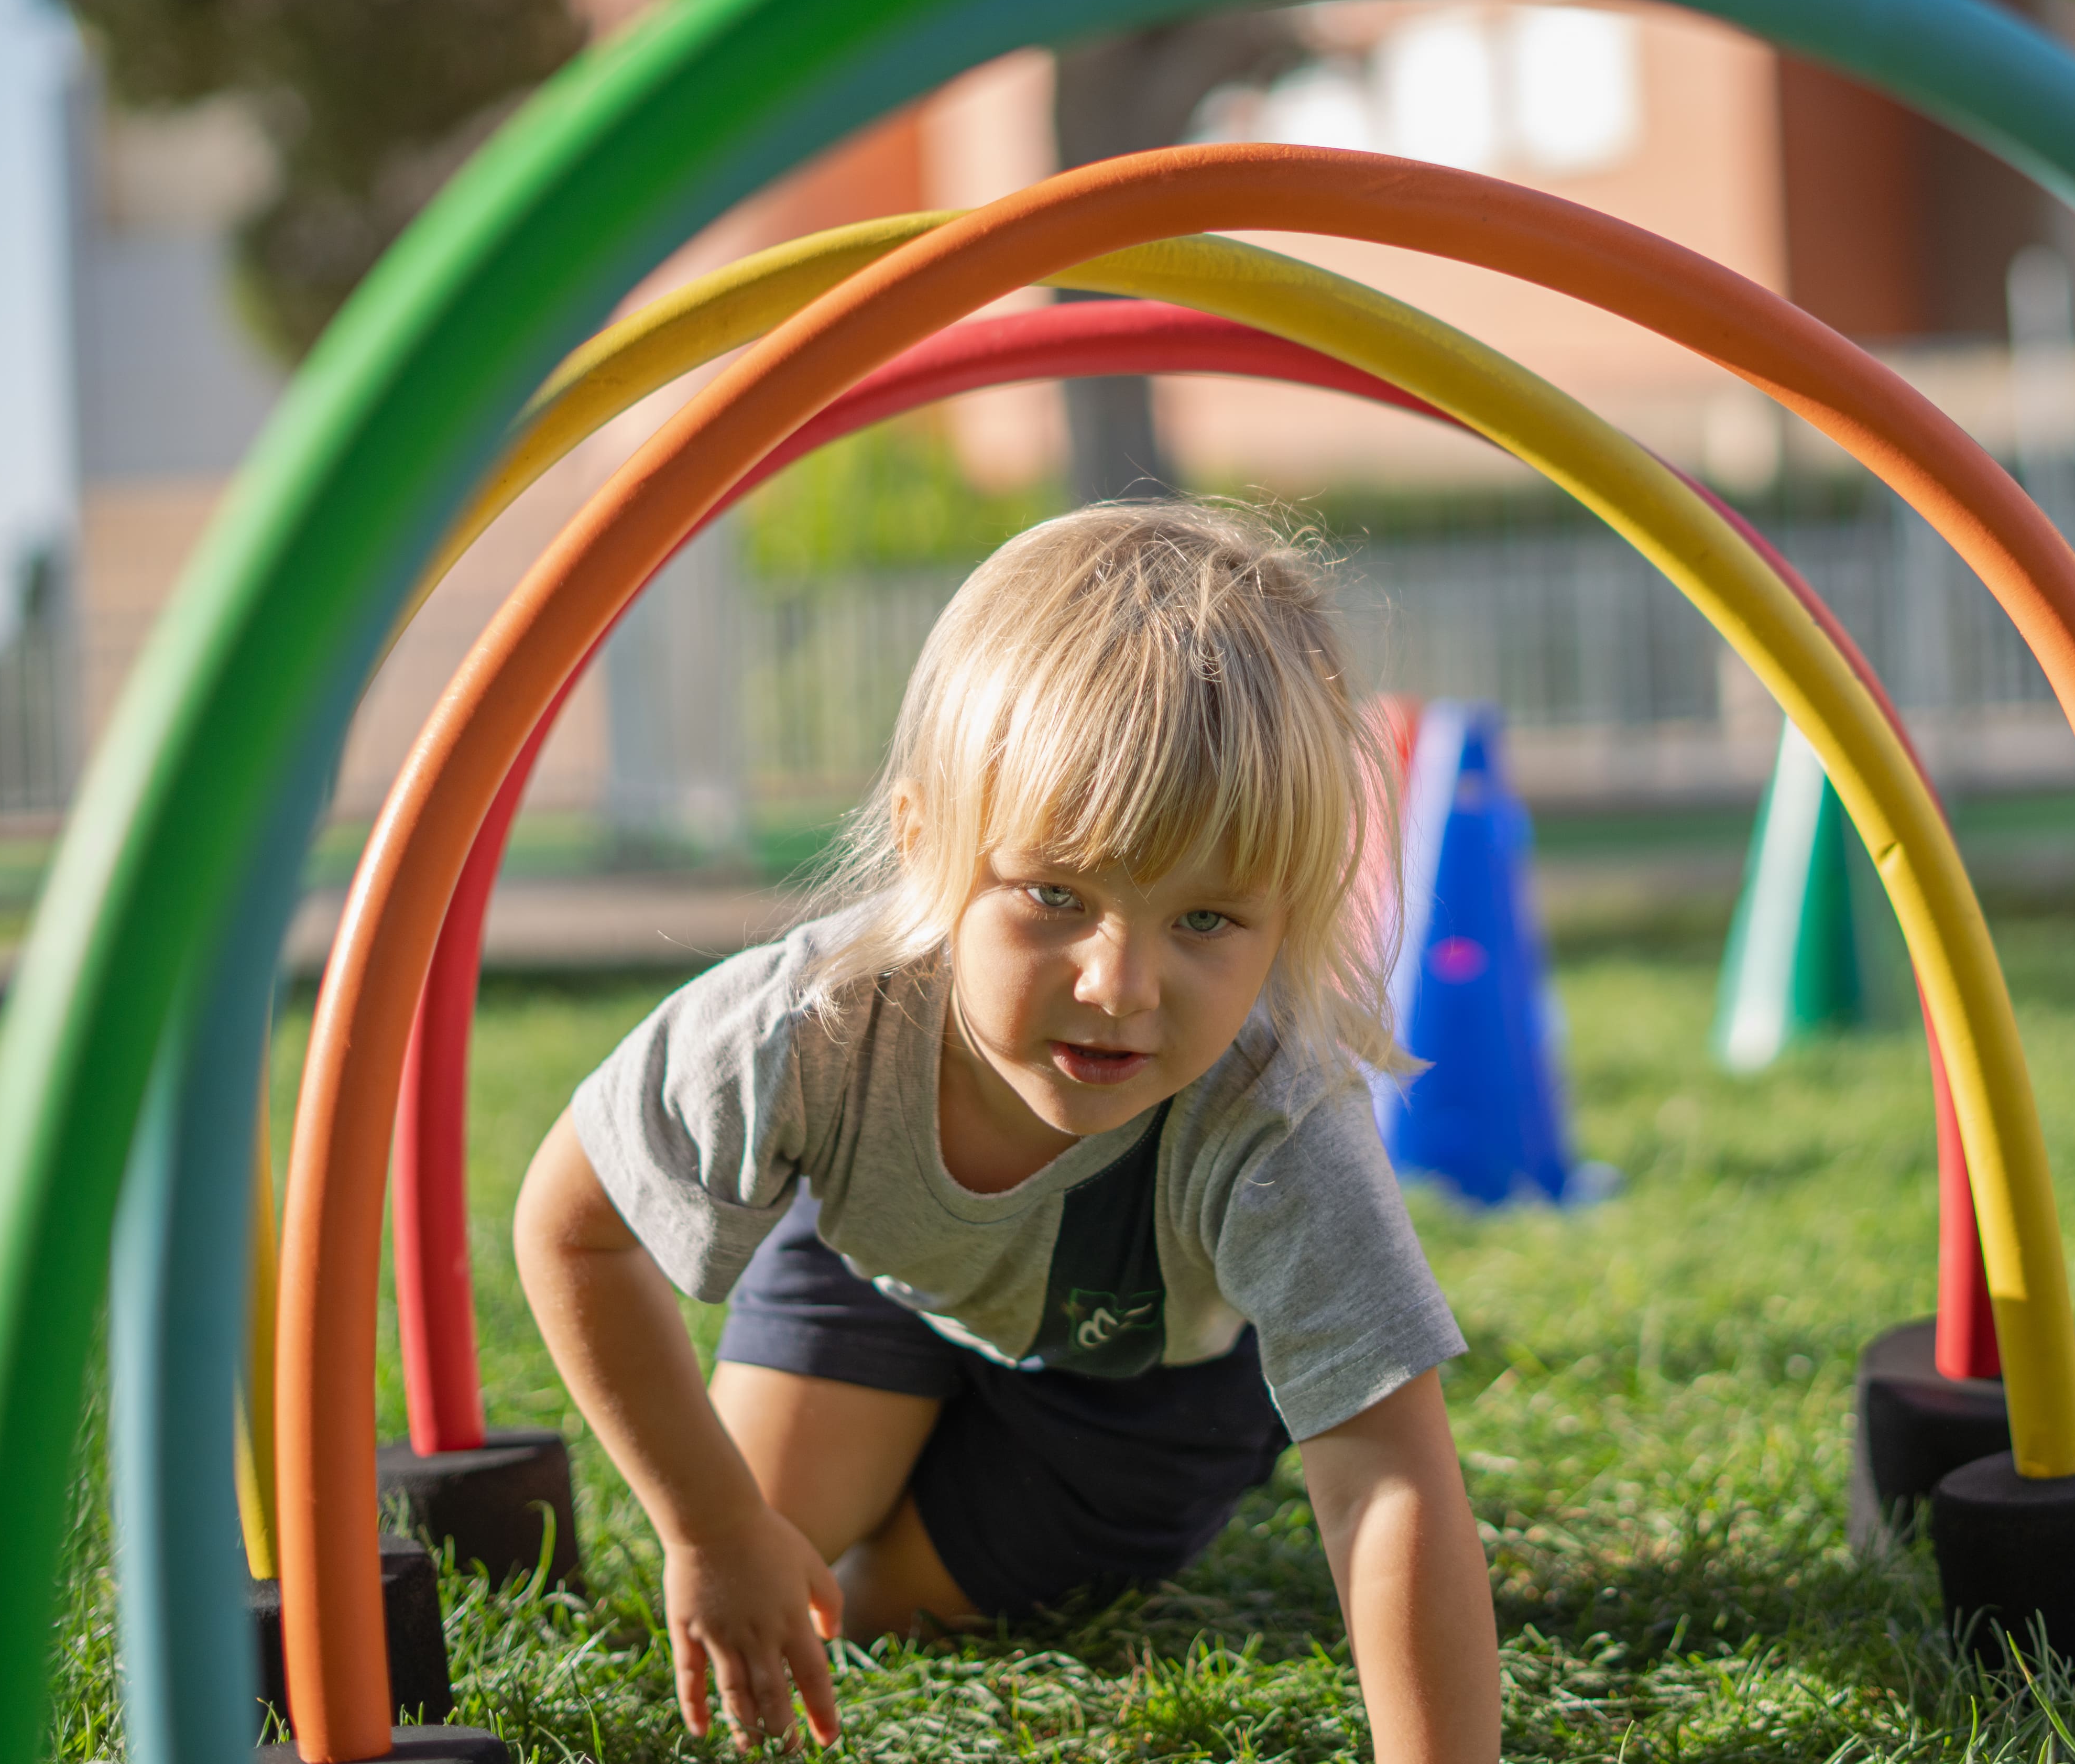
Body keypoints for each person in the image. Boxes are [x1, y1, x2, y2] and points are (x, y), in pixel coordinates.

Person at [515, 499, 1500, 1758]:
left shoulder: (1275, 1118)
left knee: (869, 1615)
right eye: (1056, 893)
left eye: (1206, 920)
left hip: (1135, 1396)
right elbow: (572, 1224)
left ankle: (957, 1502)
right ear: (926, 840)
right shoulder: (805, 1024)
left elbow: (1390, 1476)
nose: (1120, 983)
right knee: (775, 1571)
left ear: (1289, 909)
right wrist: (709, 1528)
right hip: (874, 1279)